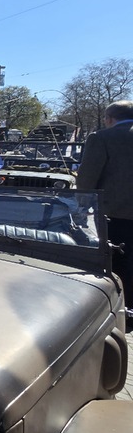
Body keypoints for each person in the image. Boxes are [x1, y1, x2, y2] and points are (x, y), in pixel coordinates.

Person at [77, 100, 133, 308]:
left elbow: (87, 178)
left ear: (109, 119)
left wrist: (81, 207)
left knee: (117, 260)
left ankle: (121, 307)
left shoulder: (102, 138)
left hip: (116, 213)